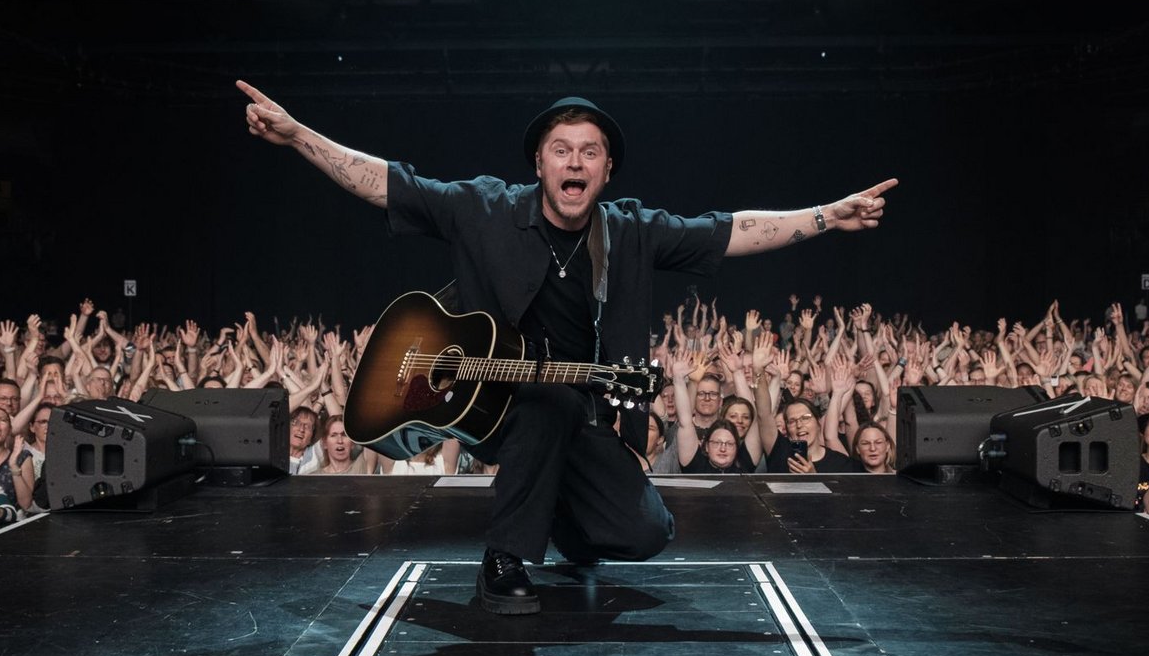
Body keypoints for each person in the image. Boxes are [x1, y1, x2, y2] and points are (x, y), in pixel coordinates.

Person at [241, 80, 896, 614]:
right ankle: (505, 559)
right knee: (544, 399)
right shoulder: (484, 209)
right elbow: (385, 182)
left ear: (607, 169)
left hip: (584, 417)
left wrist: (825, 216)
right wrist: (298, 136)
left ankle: (550, 512)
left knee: (644, 533)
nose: (574, 162)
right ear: (540, 163)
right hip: (493, 408)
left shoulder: (634, 234)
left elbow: (733, 231)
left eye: (589, 152)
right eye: (562, 149)